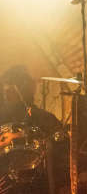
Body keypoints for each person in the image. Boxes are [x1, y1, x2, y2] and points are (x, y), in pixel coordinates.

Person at [0, 65, 66, 194]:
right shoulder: (2, 117)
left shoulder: (45, 119)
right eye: (5, 89)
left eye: (10, 90)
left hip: (39, 186)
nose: (6, 93)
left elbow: (62, 154)